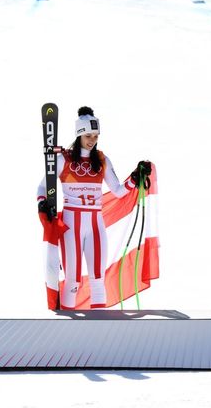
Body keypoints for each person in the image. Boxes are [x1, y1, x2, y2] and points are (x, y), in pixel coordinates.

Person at [37, 106, 151, 309]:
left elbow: (117, 190)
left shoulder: (102, 160)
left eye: (96, 136)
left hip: (95, 224)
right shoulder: (64, 159)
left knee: (98, 279)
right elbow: (43, 186)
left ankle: (99, 330)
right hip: (72, 224)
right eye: (88, 135)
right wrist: (42, 202)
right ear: (79, 134)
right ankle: (67, 327)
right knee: (72, 281)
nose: (92, 140)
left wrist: (134, 178)